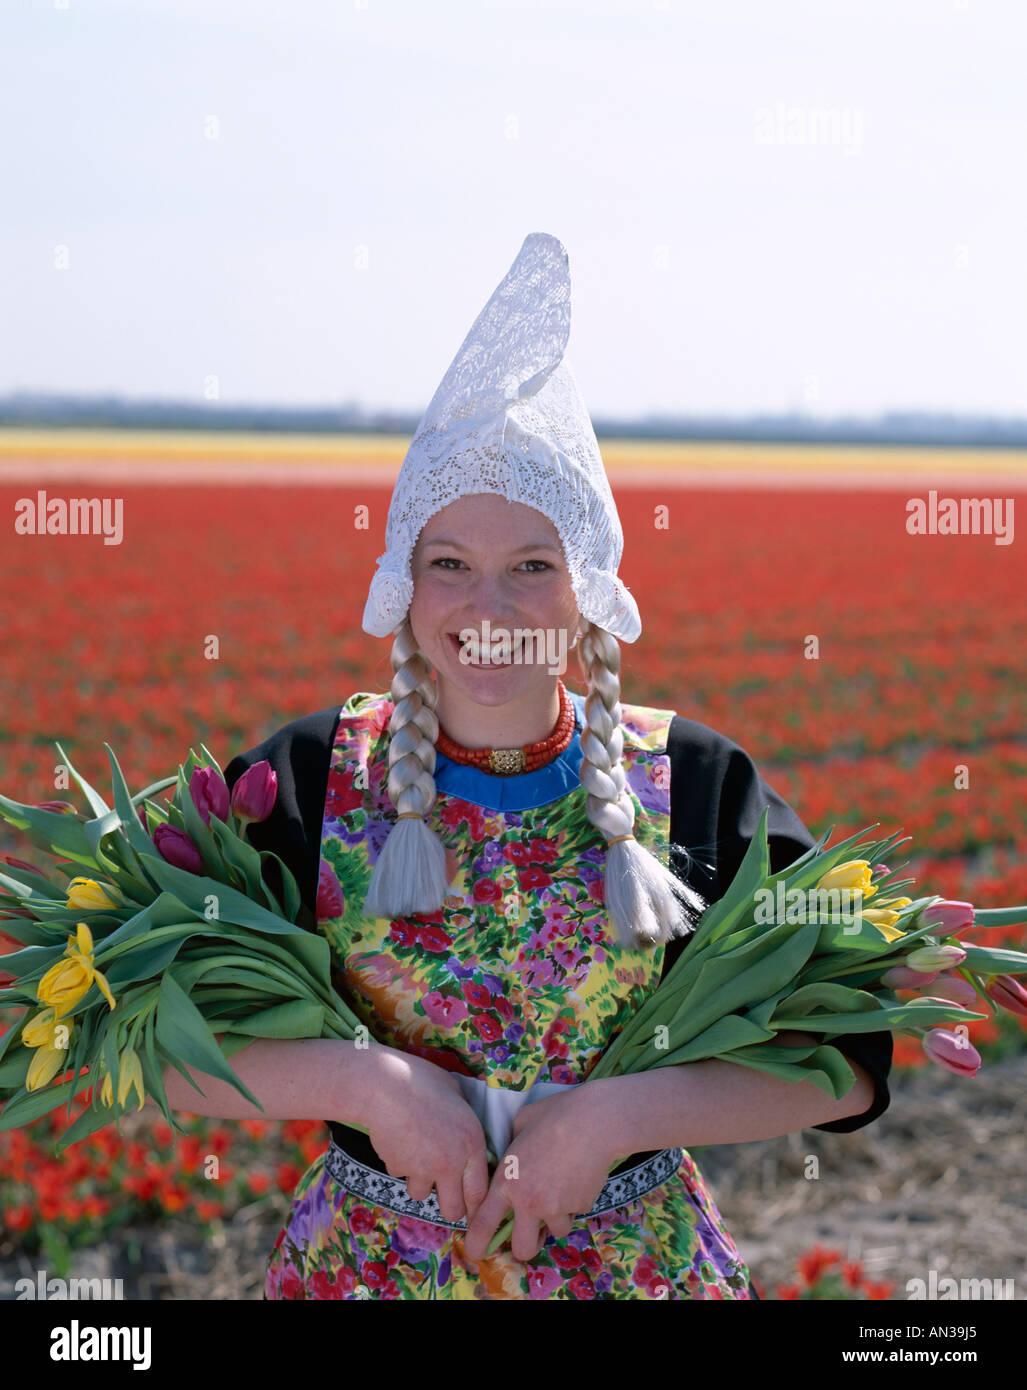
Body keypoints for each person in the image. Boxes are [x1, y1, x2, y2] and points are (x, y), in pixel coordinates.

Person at [204, 234, 893, 1300]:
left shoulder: (694, 781)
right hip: (366, 1275)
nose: (488, 611)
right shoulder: (309, 776)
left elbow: (847, 1058)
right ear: (406, 587)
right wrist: (372, 1085)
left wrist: (613, 1117)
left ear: (589, 592)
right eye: (450, 566)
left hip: (634, 1272)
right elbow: (149, 1034)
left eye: (532, 567)